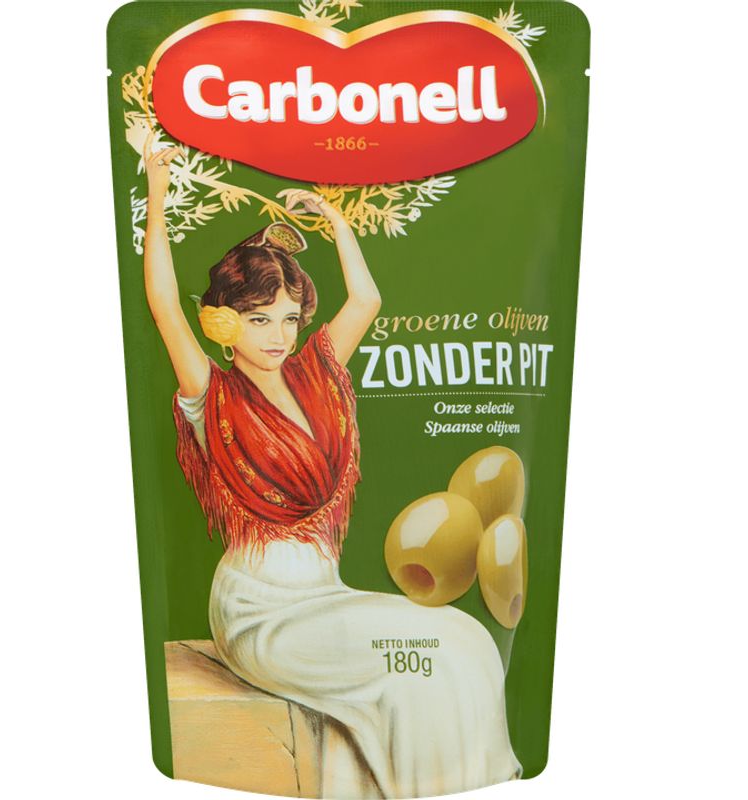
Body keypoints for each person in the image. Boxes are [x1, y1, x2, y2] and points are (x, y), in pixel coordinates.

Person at [143, 133, 521, 798]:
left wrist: (336, 222)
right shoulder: (212, 395)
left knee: (466, 640)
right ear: (223, 322)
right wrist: (156, 187)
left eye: (289, 318)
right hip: (259, 614)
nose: (279, 336)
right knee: (418, 669)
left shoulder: (316, 375)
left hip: (326, 598)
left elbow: (366, 301)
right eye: (259, 319)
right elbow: (163, 305)